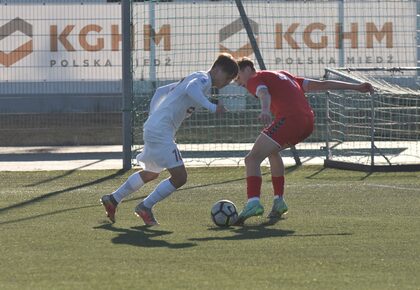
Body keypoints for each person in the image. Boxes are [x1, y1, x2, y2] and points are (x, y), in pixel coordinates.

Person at [101, 53, 239, 226]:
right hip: (160, 131)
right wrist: (212, 107)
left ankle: (113, 199)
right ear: (217, 70)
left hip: (155, 127)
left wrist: (153, 116)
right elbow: (191, 89)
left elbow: (160, 91)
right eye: (226, 79)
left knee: (151, 172)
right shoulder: (203, 79)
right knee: (180, 177)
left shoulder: (195, 77)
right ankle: (145, 207)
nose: (225, 84)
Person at [234, 57, 374, 225]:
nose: (239, 82)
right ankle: (279, 201)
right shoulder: (284, 75)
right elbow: (322, 85)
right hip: (307, 122)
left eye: (237, 77)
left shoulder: (254, 79)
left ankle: (253, 202)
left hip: (290, 120)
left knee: (252, 159)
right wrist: (356, 87)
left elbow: (264, 93)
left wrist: (265, 110)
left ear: (246, 69)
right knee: (272, 152)